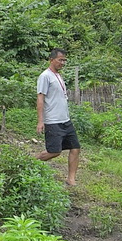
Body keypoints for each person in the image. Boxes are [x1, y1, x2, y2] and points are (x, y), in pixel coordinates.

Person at [36, 48, 80, 186]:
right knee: (54, 152)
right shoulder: (45, 76)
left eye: (64, 60)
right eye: (60, 60)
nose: (62, 63)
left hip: (65, 120)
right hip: (53, 120)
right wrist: (41, 121)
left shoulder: (58, 75)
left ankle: (71, 179)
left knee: (75, 148)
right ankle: (29, 162)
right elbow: (40, 98)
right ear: (51, 60)